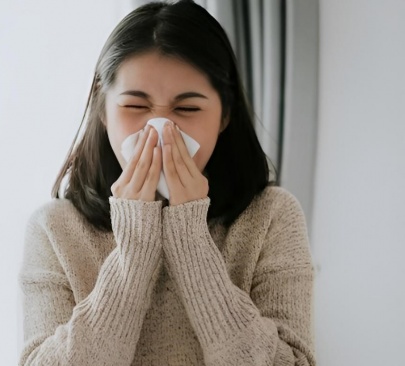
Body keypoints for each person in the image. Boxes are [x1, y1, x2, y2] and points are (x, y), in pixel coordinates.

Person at [18, 1, 315, 365]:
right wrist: (135, 247)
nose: (160, 133)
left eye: (187, 109)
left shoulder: (272, 216)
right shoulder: (55, 229)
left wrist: (190, 238)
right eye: (135, 107)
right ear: (102, 110)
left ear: (224, 115)